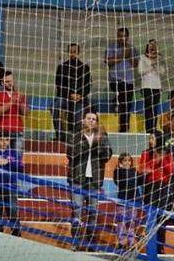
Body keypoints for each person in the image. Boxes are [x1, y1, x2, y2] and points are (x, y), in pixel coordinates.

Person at [67, 111, 113, 247]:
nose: (91, 121)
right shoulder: (75, 137)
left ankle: (90, 243)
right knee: (77, 211)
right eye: (89, 118)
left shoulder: (103, 137)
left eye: (94, 119)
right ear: (83, 121)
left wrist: (98, 142)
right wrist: (90, 144)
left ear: (97, 122)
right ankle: (75, 242)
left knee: (93, 213)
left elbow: (107, 155)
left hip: (94, 181)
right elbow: (71, 154)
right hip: (77, 179)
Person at [53, 43, 91, 143]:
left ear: (79, 53)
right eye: (70, 52)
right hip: (65, 98)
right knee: (55, 106)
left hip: (80, 99)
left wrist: (80, 95)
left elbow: (87, 86)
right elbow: (59, 85)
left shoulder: (85, 68)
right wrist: (70, 95)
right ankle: (60, 135)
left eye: (75, 52)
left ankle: (76, 138)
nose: (72, 54)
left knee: (78, 114)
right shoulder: (61, 67)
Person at [105, 27, 137, 133]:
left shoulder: (132, 48)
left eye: (123, 36)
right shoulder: (111, 47)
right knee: (123, 102)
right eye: (119, 36)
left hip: (129, 81)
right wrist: (122, 55)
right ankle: (117, 100)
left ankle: (124, 129)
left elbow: (136, 64)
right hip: (116, 81)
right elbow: (108, 61)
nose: (121, 38)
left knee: (126, 106)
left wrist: (129, 55)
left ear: (127, 37)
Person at [0, 71, 28, 152]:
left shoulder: (20, 94)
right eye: (7, 82)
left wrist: (21, 102)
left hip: (18, 131)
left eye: (11, 81)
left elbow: (25, 113)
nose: (10, 83)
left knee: (17, 160)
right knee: (2, 157)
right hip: (3, 132)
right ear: (2, 82)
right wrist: (12, 101)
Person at [139, 129, 174, 208]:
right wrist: (151, 168)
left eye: (152, 138)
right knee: (150, 209)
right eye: (149, 138)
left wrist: (162, 159)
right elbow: (141, 170)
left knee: (162, 210)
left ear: (158, 139)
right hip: (150, 185)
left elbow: (171, 171)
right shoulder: (145, 153)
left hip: (165, 185)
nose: (150, 141)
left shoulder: (167, 153)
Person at [113, 153, 142, 249]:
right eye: (125, 160)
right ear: (120, 162)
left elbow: (138, 182)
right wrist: (122, 169)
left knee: (131, 222)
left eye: (129, 160)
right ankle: (122, 241)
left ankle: (131, 241)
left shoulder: (134, 171)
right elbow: (118, 182)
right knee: (121, 221)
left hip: (133, 199)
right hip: (122, 199)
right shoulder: (118, 171)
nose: (127, 162)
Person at [138, 39, 162, 133]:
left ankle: (154, 129)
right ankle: (148, 130)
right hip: (147, 86)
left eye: (154, 45)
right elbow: (140, 71)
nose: (152, 47)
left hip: (157, 86)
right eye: (150, 45)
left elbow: (162, 72)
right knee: (148, 109)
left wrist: (157, 64)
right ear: (147, 46)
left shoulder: (159, 58)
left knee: (155, 109)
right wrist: (151, 65)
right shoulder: (143, 57)